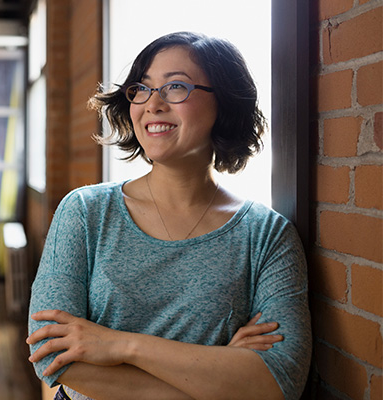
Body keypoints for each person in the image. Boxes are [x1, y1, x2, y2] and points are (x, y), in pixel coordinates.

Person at [27, 31, 311, 400]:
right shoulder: (85, 211)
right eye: (142, 89)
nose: (153, 104)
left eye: (176, 87)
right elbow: (50, 358)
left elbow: (279, 381)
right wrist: (221, 371)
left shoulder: (266, 235)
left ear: (223, 103)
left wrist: (119, 345)